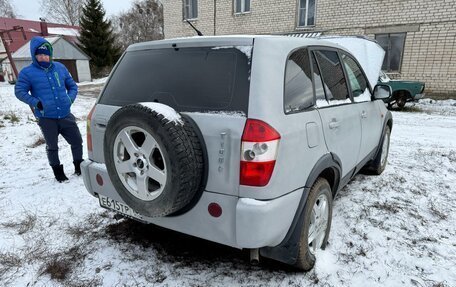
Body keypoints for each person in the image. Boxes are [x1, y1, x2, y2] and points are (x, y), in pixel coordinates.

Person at [15, 36, 83, 182]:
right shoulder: (27, 72)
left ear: (50, 54)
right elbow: (19, 91)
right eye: (40, 55)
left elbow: (72, 86)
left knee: (77, 141)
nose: (43, 57)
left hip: (65, 115)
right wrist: (36, 103)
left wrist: (69, 99)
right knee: (52, 147)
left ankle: (79, 166)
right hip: (46, 118)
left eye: (46, 54)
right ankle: (58, 172)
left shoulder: (60, 68)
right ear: (34, 55)